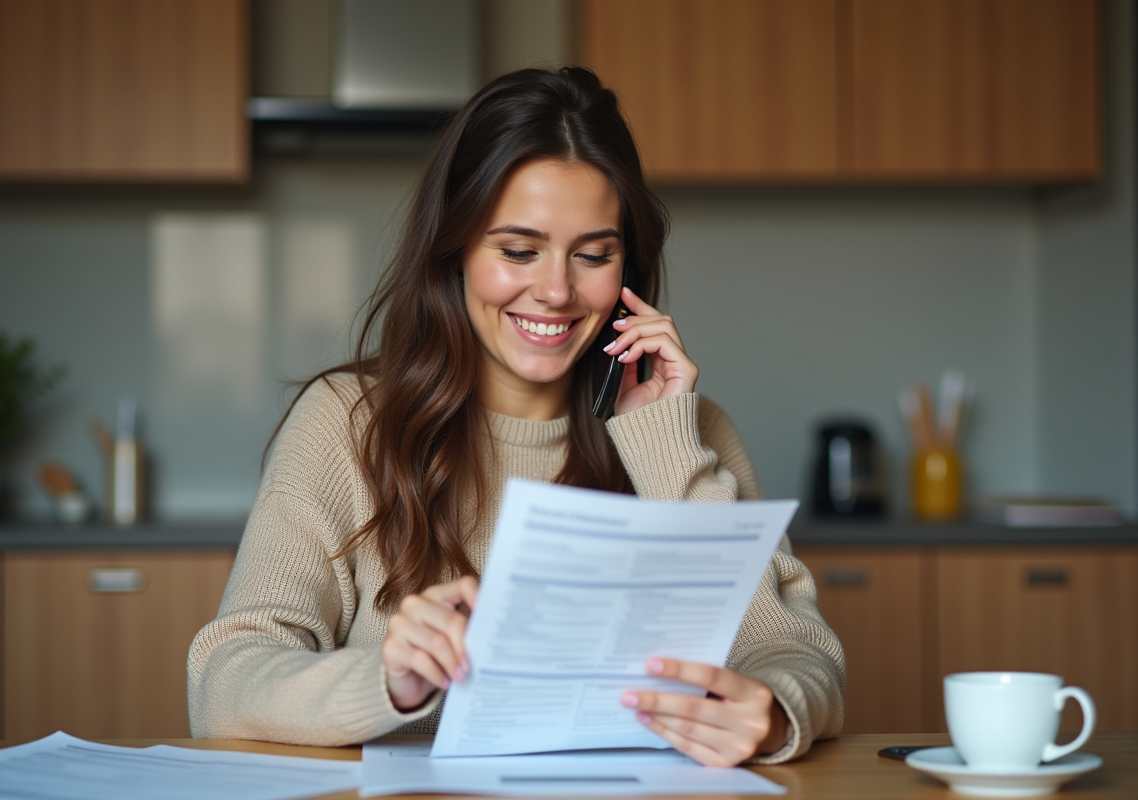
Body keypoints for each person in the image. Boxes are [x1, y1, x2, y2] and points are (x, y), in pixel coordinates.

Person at [188, 67, 844, 767]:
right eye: (519, 251)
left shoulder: (687, 427)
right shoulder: (346, 423)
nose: (557, 291)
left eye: (593, 255)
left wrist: (771, 714)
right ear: (455, 251)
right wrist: (388, 681)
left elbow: (797, 654)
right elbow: (224, 681)